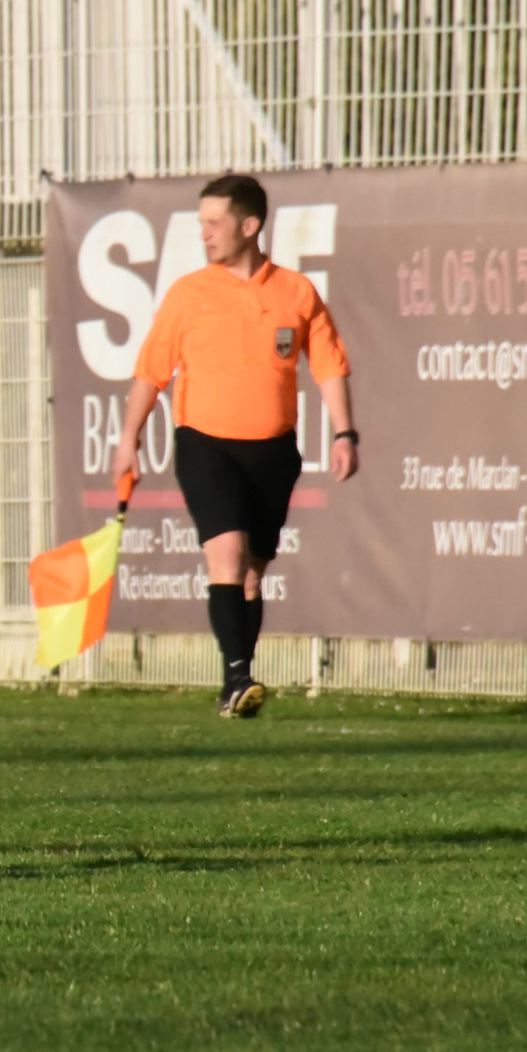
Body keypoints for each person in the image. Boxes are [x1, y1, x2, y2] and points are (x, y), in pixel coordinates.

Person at [110, 173, 359, 717]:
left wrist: (345, 433)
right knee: (225, 554)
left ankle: (236, 686)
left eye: (213, 223)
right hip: (205, 445)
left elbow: (328, 364)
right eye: (201, 223)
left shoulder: (296, 291)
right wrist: (128, 440)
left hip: (273, 451)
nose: (204, 233)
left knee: (251, 573)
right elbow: (150, 372)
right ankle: (238, 675)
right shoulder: (188, 294)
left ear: (249, 226)